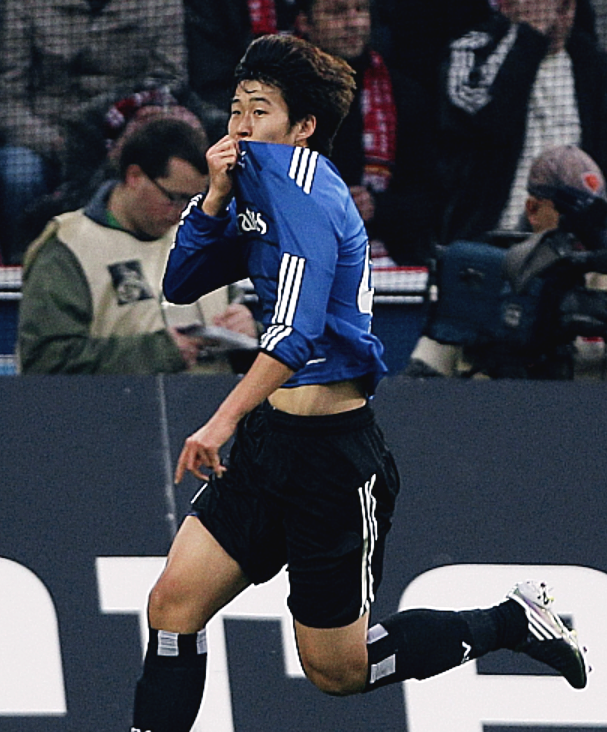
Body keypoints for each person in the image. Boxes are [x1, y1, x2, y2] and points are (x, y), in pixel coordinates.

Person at [130, 34, 587, 732]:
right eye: (235, 108)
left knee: (338, 671)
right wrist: (214, 198)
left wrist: (220, 421)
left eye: (259, 110)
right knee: (172, 606)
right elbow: (182, 280)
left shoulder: (308, 194)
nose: (239, 126)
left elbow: (295, 335)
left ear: (303, 127)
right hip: (268, 444)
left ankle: (510, 620)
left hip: (331, 461)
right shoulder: (255, 186)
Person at [18, 116, 254, 375]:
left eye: (195, 200)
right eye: (174, 197)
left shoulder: (201, 237)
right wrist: (158, 352)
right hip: (118, 401)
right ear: (134, 176)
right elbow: (45, 362)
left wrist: (252, 332)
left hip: (218, 398)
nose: (181, 211)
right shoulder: (68, 248)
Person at [0, 0, 187, 264]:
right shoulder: (26, 3)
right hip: (44, 137)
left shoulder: (159, 4)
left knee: (159, 173)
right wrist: (58, 143)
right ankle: (25, 266)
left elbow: (168, 83)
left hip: (124, 139)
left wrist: (128, 139)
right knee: (18, 175)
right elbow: (8, 98)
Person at [405, 144, 607, 379]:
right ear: (533, 209)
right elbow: (419, 378)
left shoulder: (600, 282)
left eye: (593, 219)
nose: (583, 231)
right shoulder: (485, 275)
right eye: (571, 216)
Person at [434, 0, 607, 248]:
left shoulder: (590, 63)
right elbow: (488, 123)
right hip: (490, 238)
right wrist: (530, 35)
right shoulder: (474, 49)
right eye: (545, 3)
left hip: (571, 245)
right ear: (509, 4)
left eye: (565, 6)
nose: (557, 16)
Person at [295, 0, 436, 265]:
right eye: (337, 12)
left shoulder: (405, 95)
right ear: (305, 22)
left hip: (389, 264)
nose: (353, 22)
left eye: (360, 10)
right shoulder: (275, 95)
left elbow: (430, 197)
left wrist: (377, 207)